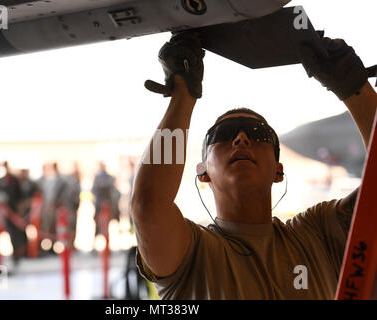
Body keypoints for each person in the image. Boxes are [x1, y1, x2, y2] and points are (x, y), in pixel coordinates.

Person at [131, 32, 377, 299]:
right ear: (202, 172)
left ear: (278, 171)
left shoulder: (317, 233)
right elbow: (148, 205)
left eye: (260, 133)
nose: (241, 138)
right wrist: (183, 95)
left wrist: (355, 89)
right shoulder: (191, 253)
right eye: (223, 134)